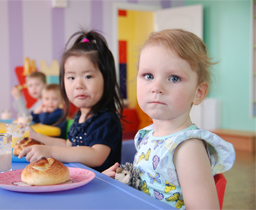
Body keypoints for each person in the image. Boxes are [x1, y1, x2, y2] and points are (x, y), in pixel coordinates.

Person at [103, 29, 235, 209]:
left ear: (198, 93)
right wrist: (122, 178)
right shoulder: (148, 134)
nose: (157, 87)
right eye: (148, 76)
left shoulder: (187, 147)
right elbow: (150, 183)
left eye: (174, 78)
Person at [18, 29, 124, 172]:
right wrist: (36, 136)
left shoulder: (107, 120)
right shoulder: (80, 116)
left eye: (88, 76)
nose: (78, 85)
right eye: (71, 78)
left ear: (107, 79)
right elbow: (69, 146)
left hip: (102, 187)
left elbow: (96, 156)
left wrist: (50, 151)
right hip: (81, 183)